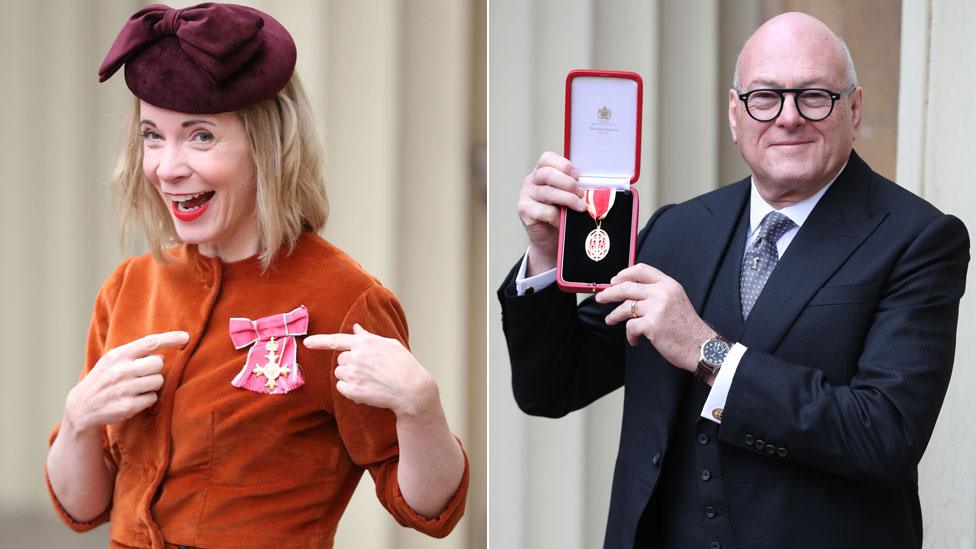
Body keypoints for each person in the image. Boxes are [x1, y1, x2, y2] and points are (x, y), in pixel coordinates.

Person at [499, 12, 969, 549]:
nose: (788, 118)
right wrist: (543, 255)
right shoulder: (675, 230)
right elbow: (552, 388)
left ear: (854, 108)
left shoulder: (918, 239)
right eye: (764, 97)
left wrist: (705, 350)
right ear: (734, 113)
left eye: (814, 96)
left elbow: (884, 435)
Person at [45, 4, 468, 547]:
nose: (167, 167)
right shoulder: (128, 288)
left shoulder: (345, 300)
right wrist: (78, 421)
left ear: (268, 144)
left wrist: (422, 411)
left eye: (199, 136)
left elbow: (428, 510)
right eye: (153, 135)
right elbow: (83, 507)